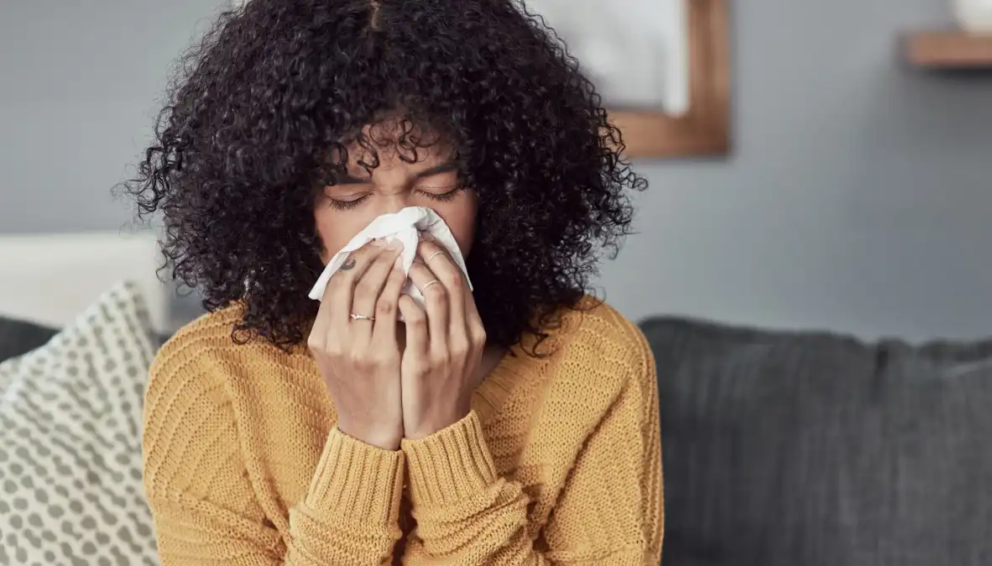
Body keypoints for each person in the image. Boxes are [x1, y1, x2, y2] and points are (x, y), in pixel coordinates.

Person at [124, 0, 662, 563]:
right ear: (289, 207)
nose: (399, 227)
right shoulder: (212, 379)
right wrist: (362, 439)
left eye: (438, 187)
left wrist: (445, 435)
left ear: (498, 189)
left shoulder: (596, 361)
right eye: (350, 196)